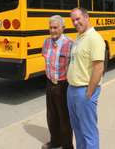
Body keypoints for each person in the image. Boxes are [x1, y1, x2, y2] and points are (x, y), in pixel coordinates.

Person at [67, 8, 105, 149]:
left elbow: (98, 68)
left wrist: (89, 92)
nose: (75, 23)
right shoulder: (79, 37)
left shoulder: (94, 38)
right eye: (73, 20)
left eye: (78, 19)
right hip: (72, 90)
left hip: (84, 91)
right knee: (77, 130)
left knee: (88, 132)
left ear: (87, 17)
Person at [41, 15, 74, 149]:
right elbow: (47, 61)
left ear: (63, 28)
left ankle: (67, 146)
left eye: (55, 27)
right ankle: (55, 141)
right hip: (50, 83)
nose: (52, 30)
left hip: (63, 85)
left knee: (64, 117)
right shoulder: (46, 42)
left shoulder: (70, 44)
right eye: (50, 27)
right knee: (51, 115)